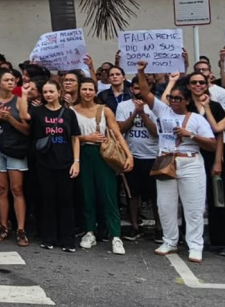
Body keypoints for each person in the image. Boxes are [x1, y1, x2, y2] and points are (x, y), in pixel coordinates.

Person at [137, 62, 217, 263]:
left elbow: (212, 144)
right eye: (171, 97)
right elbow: (146, 93)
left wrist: (190, 135)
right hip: (166, 160)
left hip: (190, 162)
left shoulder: (198, 120)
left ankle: (195, 245)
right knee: (165, 205)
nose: (173, 101)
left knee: (193, 207)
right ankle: (170, 240)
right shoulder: (163, 111)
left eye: (178, 98)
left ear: (187, 100)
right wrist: (140, 71)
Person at [162, 69, 225, 252]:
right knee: (185, 200)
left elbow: (218, 134)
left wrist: (218, 161)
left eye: (202, 83)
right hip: (187, 155)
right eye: (194, 83)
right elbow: (166, 101)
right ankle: (183, 238)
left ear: (207, 86)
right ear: (188, 87)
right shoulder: (183, 105)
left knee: (214, 199)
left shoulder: (214, 106)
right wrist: (172, 81)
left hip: (210, 154)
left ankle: (218, 240)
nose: (198, 86)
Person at [74, 79, 133, 256]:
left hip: (103, 155)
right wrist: (86, 138)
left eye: (90, 89)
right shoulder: (71, 111)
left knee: (108, 195)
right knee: (87, 195)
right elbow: (72, 137)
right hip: (83, 154)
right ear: (79, 90)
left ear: (95, 91)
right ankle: (89, 232)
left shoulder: (104, 110)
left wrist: (128, 155)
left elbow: (117, 132)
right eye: (84, 89)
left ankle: (116, 236)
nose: (87, 92)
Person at [28, 79, 80, 252]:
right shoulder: (37, 112)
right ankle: (48, 237)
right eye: (45, 92)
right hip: (44, 163)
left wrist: (76, 162)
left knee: (66, 201)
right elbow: (23, 118)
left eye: (51, 91)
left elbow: (75, 138)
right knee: (47, 201)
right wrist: (23, 91)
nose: (48, 95)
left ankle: (68, 239)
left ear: (59, 92)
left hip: (65, 163)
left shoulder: (68, 113)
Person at [0, 68, 31, 246]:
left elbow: (27, 130)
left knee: (17, 189)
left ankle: (21, 229)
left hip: (15, 147)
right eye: (7, 80)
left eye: (13, 80)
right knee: (1, 188)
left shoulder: (19, 101)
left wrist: (10, 119)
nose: (11, 83)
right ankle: (3, 225)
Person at [115, 77, 160, 242]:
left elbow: (157, 132)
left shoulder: (157, 106)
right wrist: (135, 113)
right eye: (135, 88)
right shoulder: (123, 106)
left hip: (153, 156)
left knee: (156, 195)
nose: (139, 91)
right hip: (131, 156)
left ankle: (158, 227)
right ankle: (135, 226)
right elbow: (120, 129)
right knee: (132, 194)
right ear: (131, 89)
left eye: (142, 88)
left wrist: (144, 115)